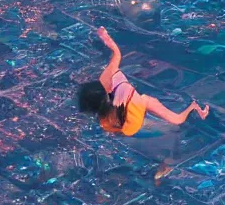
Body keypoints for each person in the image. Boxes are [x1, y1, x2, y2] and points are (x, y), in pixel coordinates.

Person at [77, 27, 209, 136]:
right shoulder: (125, 98)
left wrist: (107, 40)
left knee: (165, 115)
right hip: (127, 117)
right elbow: (116, 54)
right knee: (167, 116)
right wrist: (108, 41)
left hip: (125, 116)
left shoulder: (109, 83)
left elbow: (116, 55)